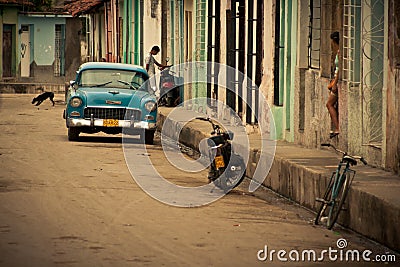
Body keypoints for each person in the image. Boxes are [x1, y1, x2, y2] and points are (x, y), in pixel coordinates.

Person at [326, 31, 340, 139]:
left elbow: (339, 70)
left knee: (329, 104)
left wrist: (334, 84)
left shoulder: (340, 53)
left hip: (337, 82)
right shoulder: (340, 51)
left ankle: (337, 127)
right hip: (335, 81)